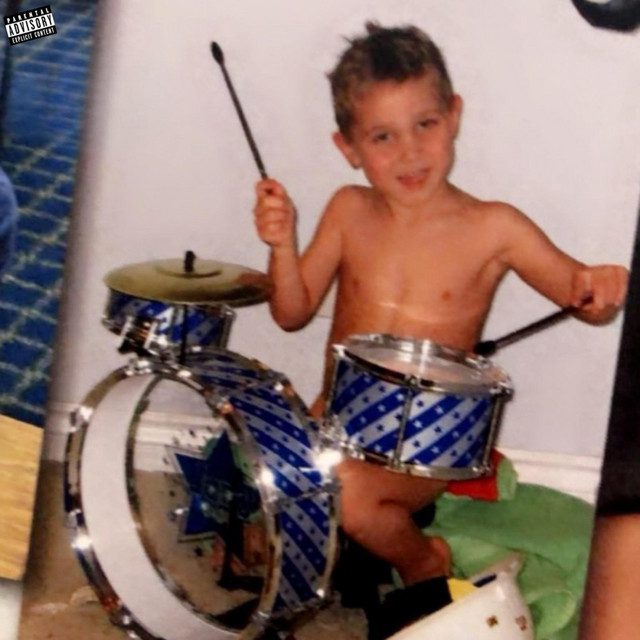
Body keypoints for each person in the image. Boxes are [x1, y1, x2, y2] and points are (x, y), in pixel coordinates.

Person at [253, 22, 627, 635]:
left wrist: (598, 284)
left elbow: (581, 295)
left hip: (422, 453)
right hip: (333, 425)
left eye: (424, 124)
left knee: (344, 493)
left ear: (453, 116)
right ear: (348, 146)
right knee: (258, 505)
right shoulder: (347, 209)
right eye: (383, 136)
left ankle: (424, 561)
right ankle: (351, 543)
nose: (409, 152)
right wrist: (280, 246)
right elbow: (290, 313)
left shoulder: (494, 227)